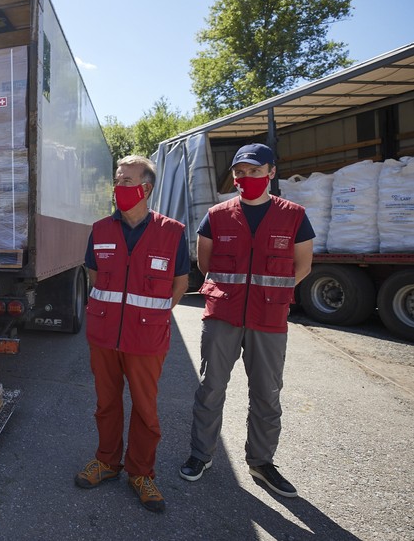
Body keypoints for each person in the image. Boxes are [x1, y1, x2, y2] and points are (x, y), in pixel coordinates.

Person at [179, 143, 315, 498]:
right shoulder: (218, 215)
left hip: (268, 318)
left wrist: (269, 294)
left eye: (254, 171)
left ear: (271, 172)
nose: (246, 177)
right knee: (211, 389)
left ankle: (261, 462)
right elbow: (206, 263)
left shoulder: (295, 215)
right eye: (240, 171)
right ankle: (201, 455)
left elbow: (303, 267)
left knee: (267, 394)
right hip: (223, 315)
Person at [75, 155, 190, 513]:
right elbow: (94, 278)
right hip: (105, 335)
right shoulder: (100, 230)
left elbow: (180, 285)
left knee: (145, 409)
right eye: (117, 180)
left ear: (146, 188)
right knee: (106, 404)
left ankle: (141, 472)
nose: (118, 187)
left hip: (146, 339)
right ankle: (107, 462)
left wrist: (149, 316)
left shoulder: (172, 232)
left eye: (126, 181)